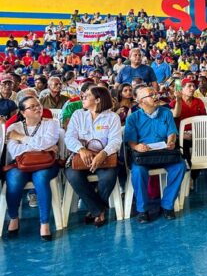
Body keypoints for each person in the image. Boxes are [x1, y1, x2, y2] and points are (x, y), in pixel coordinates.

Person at [124, 85, 187, 223]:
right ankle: (142, 209)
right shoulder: (133, 118)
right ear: (140, 101)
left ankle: (167, 204)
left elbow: (171, 133)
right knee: (138, 172)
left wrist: (171, 141)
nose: (155, 97)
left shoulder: (166, 113)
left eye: (155, 94)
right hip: (144, 156)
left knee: (180, 166)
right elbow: (131, 142)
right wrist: (137, 146)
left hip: (163, 153)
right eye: (150, 95)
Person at [4, 96, 61, 241]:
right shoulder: (13, 128)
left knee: (41, 179)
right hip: (20, 164)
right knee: (14, 179)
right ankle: (14, 217)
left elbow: (49, 142)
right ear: (23, 112)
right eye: (32, 107)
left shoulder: (52, 124)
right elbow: (15, 151)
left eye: (38, 105)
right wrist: (42, 147)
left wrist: (22, 138)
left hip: (46, 164)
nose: (38, 108)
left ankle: (44, 223)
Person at [64, 87, 122, 227]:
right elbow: (69, 137)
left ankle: (94, 210)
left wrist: (103, 153)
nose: (82, 98)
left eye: (87, 96)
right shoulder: (78, 115)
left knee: (108, 177)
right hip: (81, 158)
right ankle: (98, 211)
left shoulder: (112, 117)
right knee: (73, 176)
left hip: (105, 158)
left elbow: (115, 141)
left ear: (97, 100)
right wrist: (82, 150)